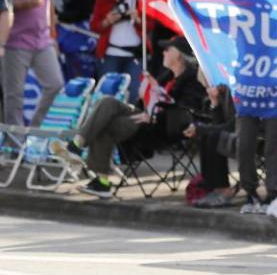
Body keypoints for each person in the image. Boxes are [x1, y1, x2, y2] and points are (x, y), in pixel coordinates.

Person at [52, 36, 205, 198]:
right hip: (144, 117)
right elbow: (147, 103)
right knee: (108, 102)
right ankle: (77, 145)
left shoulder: (191, 80)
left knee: (106, 124)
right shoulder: (166, 76)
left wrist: (156, 112)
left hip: (161, 126)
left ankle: (99, 178)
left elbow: (186, 110)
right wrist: (143, 97)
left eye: (168, 49)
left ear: (179, 55)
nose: (163, 52)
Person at [236, 0, 277, 213]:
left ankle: (273, 192)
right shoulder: (236, 12)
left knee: (274, 144)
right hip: (246, 89)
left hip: (275, 89)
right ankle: (250, 192)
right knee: (244, 144)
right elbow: (207, 22)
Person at [0, 0, 63, 126]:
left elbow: (50, 2)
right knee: (14, 96)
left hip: (43, 40)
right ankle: (14, 146)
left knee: (55, 85)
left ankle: (34, 133)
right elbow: (2, 7)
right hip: (15, 42)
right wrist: (22, 4)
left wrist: (53, 34)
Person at [90, 0, 144, 103]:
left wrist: (139, 19)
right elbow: (94, 26)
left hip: (134, 55)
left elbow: (150, 26)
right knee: (107, 98)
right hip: (110, 55)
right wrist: (107, 21)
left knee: (134, 96)